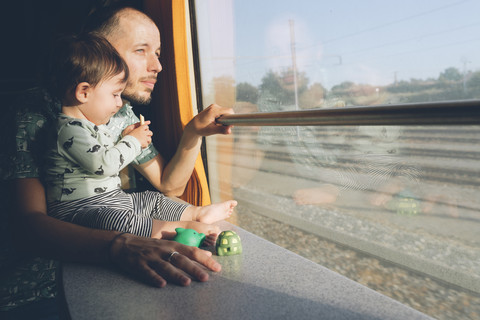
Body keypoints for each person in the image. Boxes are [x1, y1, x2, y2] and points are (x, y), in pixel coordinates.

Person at [1, 5, 234, 319]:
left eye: (159, 52)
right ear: (99, 51)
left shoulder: (120, 111)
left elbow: (169, 184)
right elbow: (29, 226)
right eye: (142, 50)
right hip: (40, 289)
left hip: (113, 269)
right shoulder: (33, 110)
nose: (158, 65)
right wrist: (118, 245)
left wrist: (193, 133)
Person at [45, 33, 236, 242]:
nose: (119, 103)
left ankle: (195, 213)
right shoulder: (68, 129)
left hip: (111, 199)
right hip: (79, 210)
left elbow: (104, 151)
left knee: (151, 199)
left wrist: (125, 137)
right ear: (84, 92)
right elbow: (104, 164)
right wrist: (132, 142)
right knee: (116, 221)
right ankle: (177, 228)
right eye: (115, 94)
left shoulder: (91, 125)